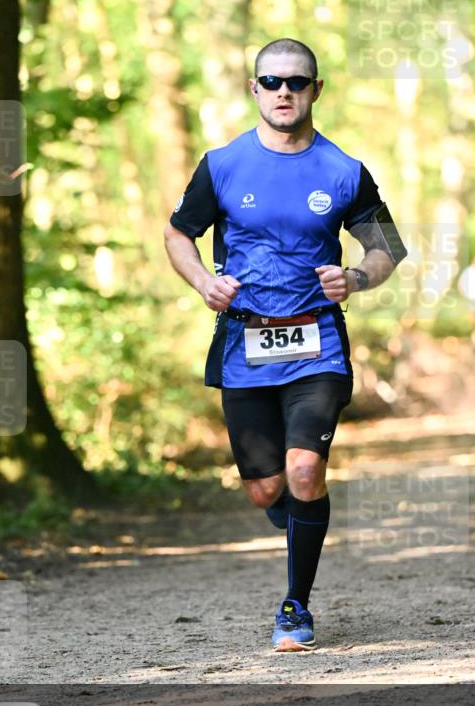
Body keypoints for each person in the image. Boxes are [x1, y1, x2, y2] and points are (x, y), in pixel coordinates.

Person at [163, 38, 407, 652]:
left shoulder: (344, 170)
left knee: (304, 470)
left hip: (317, 341)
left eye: (296, 82)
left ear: (315, 91)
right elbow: (176, 235)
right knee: (265, 489)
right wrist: (204, 284)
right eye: (270, 81)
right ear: (254, 89)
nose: (283, 92)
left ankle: (295, 606)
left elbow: (386, 249)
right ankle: (294, 511)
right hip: (244, 341)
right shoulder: (221, 164)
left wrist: (354, 278)